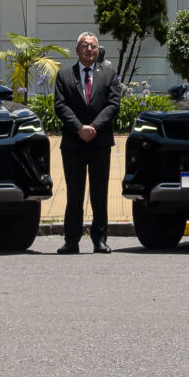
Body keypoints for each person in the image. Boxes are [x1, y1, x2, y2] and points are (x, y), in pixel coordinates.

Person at [53, 32, 119, 254]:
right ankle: (71, 239)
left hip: (99, 142)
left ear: (98, 50)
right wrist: (80, 128)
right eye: (85, 46)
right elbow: (61, 106)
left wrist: (95, 127)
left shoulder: (109, 73)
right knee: (74, 192)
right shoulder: (64, 75)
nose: (90, 50)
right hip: (74, 142)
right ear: (77, 50)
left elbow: (113, 104)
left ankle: (99, 239)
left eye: (93, 46)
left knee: (99, 192)